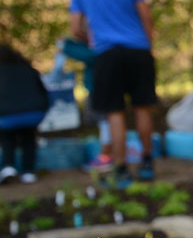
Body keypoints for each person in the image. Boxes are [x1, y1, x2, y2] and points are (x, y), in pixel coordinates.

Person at [69, 0, 157, 185]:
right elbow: (146, 18)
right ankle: (147, 161)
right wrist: (148, 46)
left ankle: (121, 168)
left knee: (114, 112)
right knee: (142, 106)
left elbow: (75, 28)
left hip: (107, 54)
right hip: (138, 51)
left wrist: (93, 39)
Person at [58, 37, 113, 172]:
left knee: (105, 123)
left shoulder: (101, 42)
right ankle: (107, 155)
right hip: (100, 87)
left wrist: (65, 47)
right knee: (104, 123)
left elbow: (89, 55)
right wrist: (68, 43)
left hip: (101, 88)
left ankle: (106, 156)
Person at [0, 44, 49, 184]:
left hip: (6, 116)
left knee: (7, 137)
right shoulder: (29, 69)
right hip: (34, 113)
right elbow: (44, 93)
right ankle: (28, 171)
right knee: (28, 137)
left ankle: (8, 166)